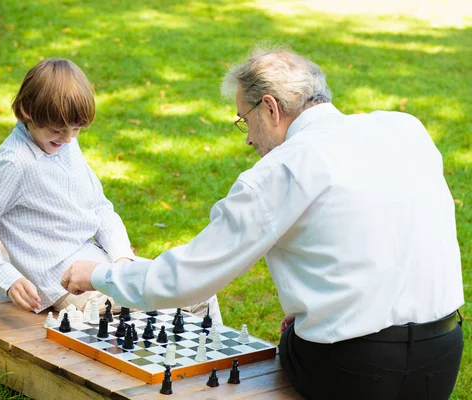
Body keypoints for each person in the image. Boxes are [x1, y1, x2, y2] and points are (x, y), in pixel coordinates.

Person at [62, 47, 464, 399]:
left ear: (270, 108)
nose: (248, 139)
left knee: (296, 337)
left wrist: (99, 274)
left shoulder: (280, 170)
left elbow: (186, 280)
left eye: (243, 119)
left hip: (351, 371)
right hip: (443, 355)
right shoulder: (405, 129)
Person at [0, 58, 221, 322]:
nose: (69, 138)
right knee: (173, 306)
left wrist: (122, 258)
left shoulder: (64, 144)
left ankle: (216, 361)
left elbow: (100, 207)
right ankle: (185, 362)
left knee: (200, 290)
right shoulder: (15, 163)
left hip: (98, 265)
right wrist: (7, 278)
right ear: (27, 110)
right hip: (66, 284)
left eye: (77, 130)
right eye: (58, 130)